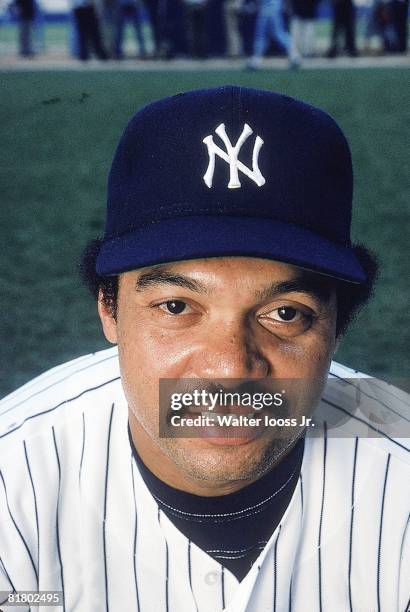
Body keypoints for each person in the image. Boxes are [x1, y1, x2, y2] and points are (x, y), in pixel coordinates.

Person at [0, 86, 408, 611]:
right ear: (110, 308)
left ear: (336, 328)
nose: (230, 366)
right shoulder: (12, 479)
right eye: (176, 307)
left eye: (285, 314)